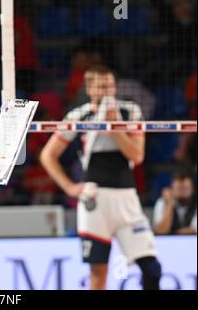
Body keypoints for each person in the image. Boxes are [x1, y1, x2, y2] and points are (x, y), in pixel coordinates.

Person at [40, 65, 162, 290]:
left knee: (152, 268)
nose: (108, 91)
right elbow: (48, 155)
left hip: (126, 198)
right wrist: (68, 187)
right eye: (102, 86)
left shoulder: (129, 111)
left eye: (111, 86)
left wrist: (115, 126)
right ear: (90, 89)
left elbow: (137, 155)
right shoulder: (79, 115)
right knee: (98, 271)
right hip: (94, 200)